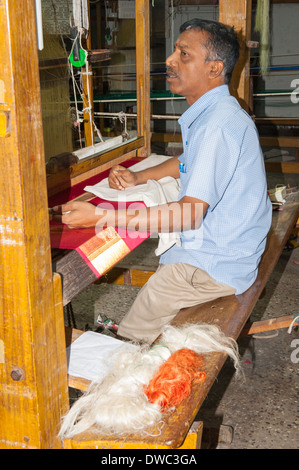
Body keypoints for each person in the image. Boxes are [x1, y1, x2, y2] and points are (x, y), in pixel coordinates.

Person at [53, 19, 272, 344]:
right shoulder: (220, 113)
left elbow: (188, 215)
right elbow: (186, 161)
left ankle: (126, 372)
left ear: (214, 68)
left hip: (214, 267)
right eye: (174, 52)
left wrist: (100, 216)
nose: (170, 61)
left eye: (184, 55)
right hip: (231, 250)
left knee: (131, 340)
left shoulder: (216, 126)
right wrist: (139, 176)